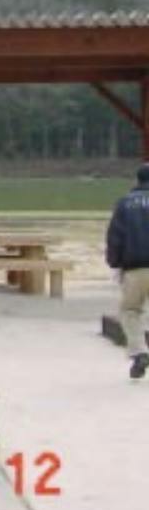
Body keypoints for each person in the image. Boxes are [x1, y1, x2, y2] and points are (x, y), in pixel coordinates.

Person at [106, 162, 149, 380]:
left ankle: (139, 352)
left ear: (137, 180)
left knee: (131, 310)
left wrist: (114, 262)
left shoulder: (124, 204)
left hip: (135, 267)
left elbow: (115, 236)